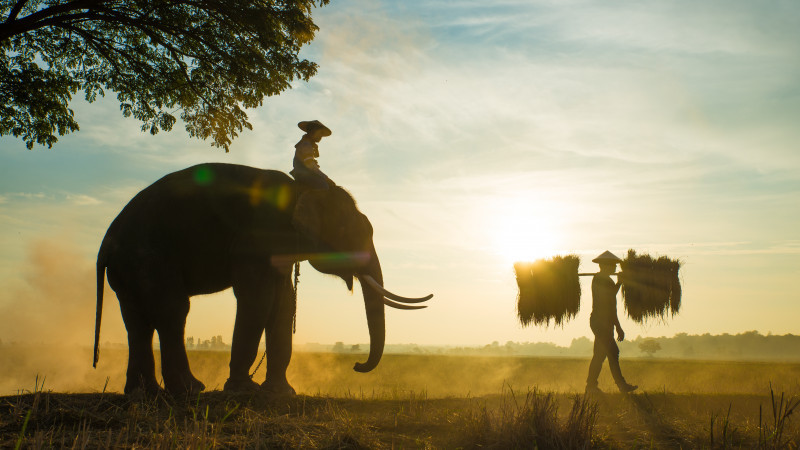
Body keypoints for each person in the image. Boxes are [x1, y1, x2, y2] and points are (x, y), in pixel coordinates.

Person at [585, 250, 638, 394]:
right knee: (613, 351)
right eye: (613, 265)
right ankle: (621, 385)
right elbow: (608, 299)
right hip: (600, 322)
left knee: (600, 355)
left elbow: (611, 307)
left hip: (604, 322)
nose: (615, 268)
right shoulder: (600, 279)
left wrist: (616, 326)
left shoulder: (605, 280)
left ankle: (591, 386)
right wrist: (620, 282)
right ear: (606, 266)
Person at [290, 120, 334, 189]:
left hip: (303, 173)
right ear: (313, 131)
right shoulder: (306, 144)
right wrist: (326, 178)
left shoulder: (307, 143)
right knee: (324, 186)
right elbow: (310, 164)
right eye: (320, 133)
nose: (321, 136)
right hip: (303, 174)